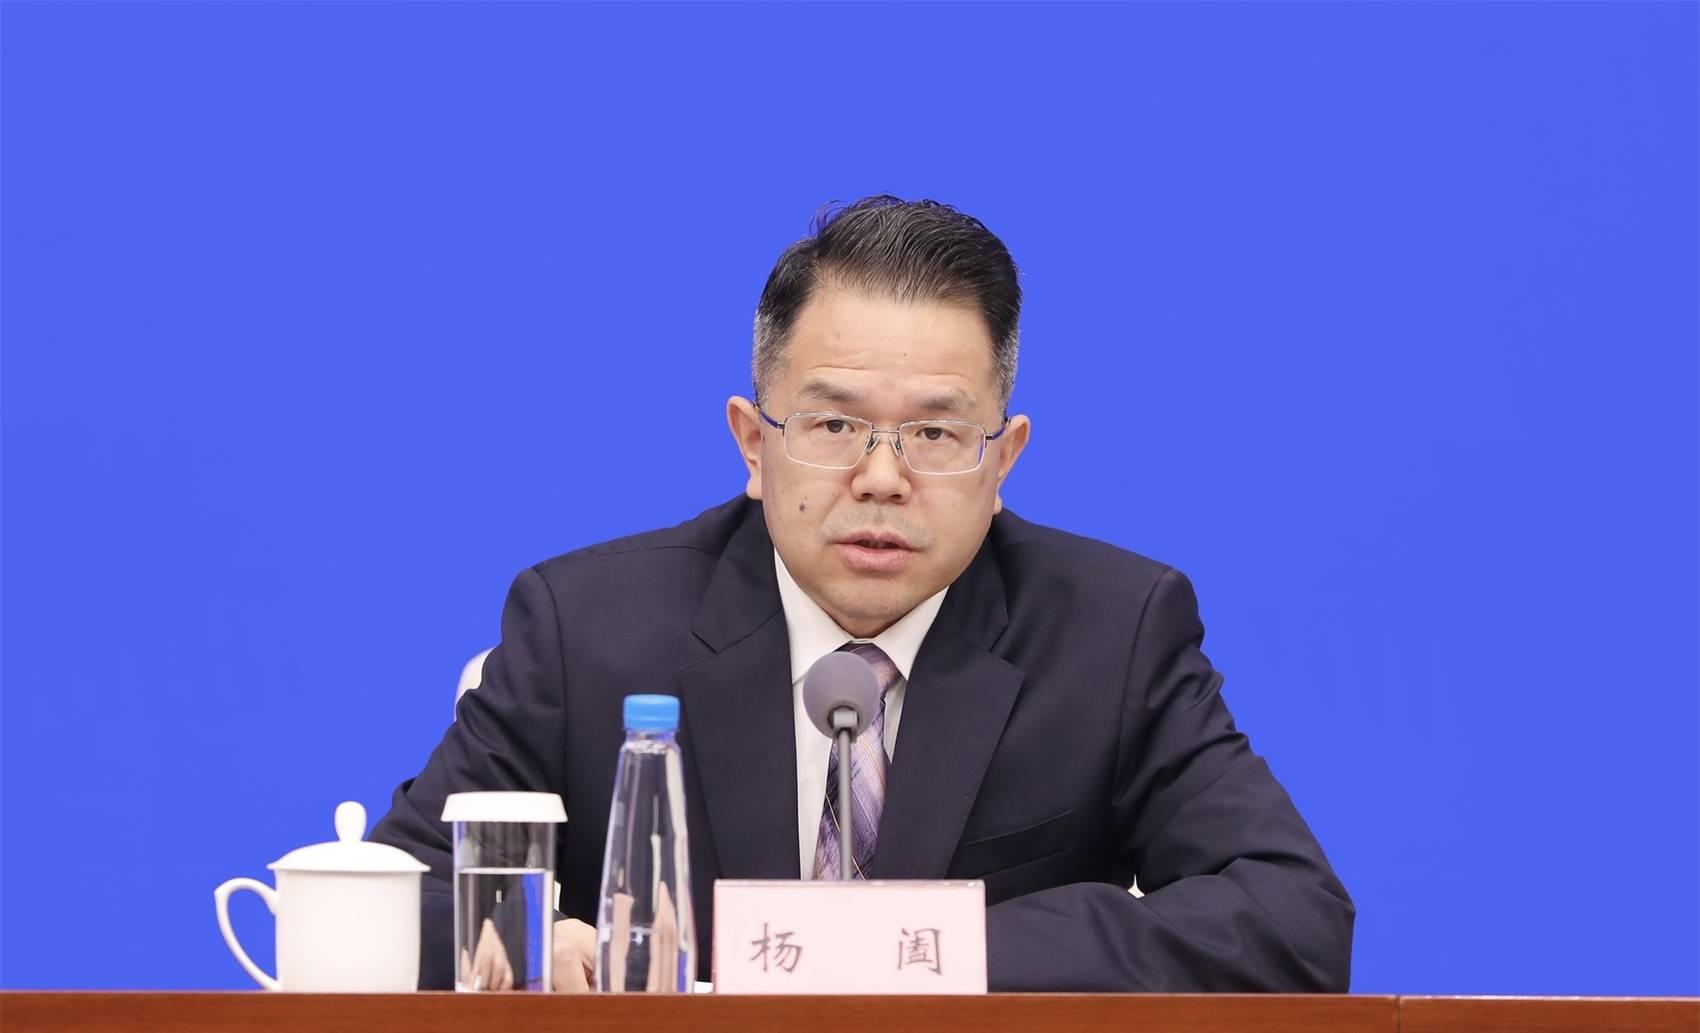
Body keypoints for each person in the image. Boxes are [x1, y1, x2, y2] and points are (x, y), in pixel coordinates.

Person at [369, 195, 1355, 992]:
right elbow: (387, 900)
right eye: (834, 426)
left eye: (933, 434)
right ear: (753, 444)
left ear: (1002, 460)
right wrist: (528, 937)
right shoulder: (587, 630)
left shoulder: (1111, 634)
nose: (881, 478)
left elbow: (1292, 918)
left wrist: (934, 952)